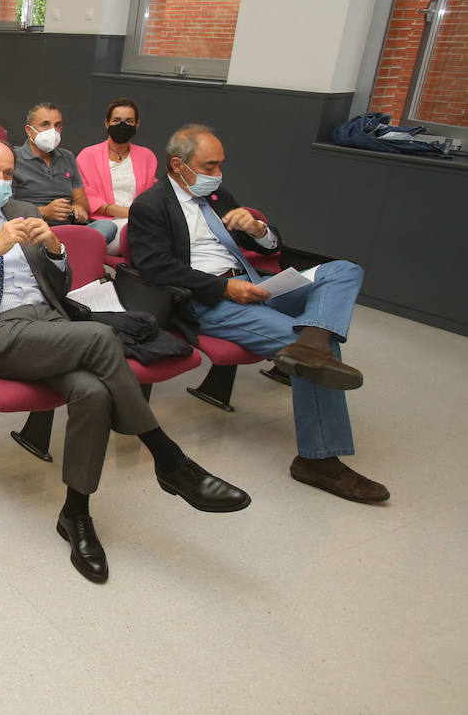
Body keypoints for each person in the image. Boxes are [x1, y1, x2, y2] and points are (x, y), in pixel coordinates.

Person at [0, 136, 251, 583]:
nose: (2, 183)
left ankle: (76, 513)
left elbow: (59, 287)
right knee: (100, 338)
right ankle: (169, 459)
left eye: (7, 175)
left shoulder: (23, 208)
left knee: (93, 392)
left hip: (50, 325)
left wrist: (56, 251)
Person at [127, 124, 389, 504]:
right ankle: (317, 459)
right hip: (213, 300)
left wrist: (259, 229)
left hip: (259, 284)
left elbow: (270, 244)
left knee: (344, 270)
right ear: (178, 165)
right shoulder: (151, 205)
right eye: (210, 166)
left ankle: (310, 344)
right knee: (319, 356)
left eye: (220, 166)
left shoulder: (217, 195)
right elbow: (154, 267)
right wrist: (223, 287)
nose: (217, 175)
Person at [13, 104, 117, 245]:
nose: (52, 131)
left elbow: (82, 201)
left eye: (57, 126)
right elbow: (7, 207)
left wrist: (78, 209)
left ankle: (61, 251)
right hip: (35, 228)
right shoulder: (13, 158)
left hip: (68, 228)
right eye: (45, 125)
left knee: (108, 226)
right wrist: (44, 212)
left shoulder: (67, 157)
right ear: (29, 130)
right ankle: (67, 252)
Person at [77, 98, 156, 256]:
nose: (123, 125)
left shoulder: (147, 156)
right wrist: (129, 213)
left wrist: (137, 215)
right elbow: (85, 195)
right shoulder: (88, 155)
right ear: (107, 123)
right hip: (104, 224)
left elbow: (152, 194)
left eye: (129, 121)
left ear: (137, 124)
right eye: (117, 120)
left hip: (138, 222)